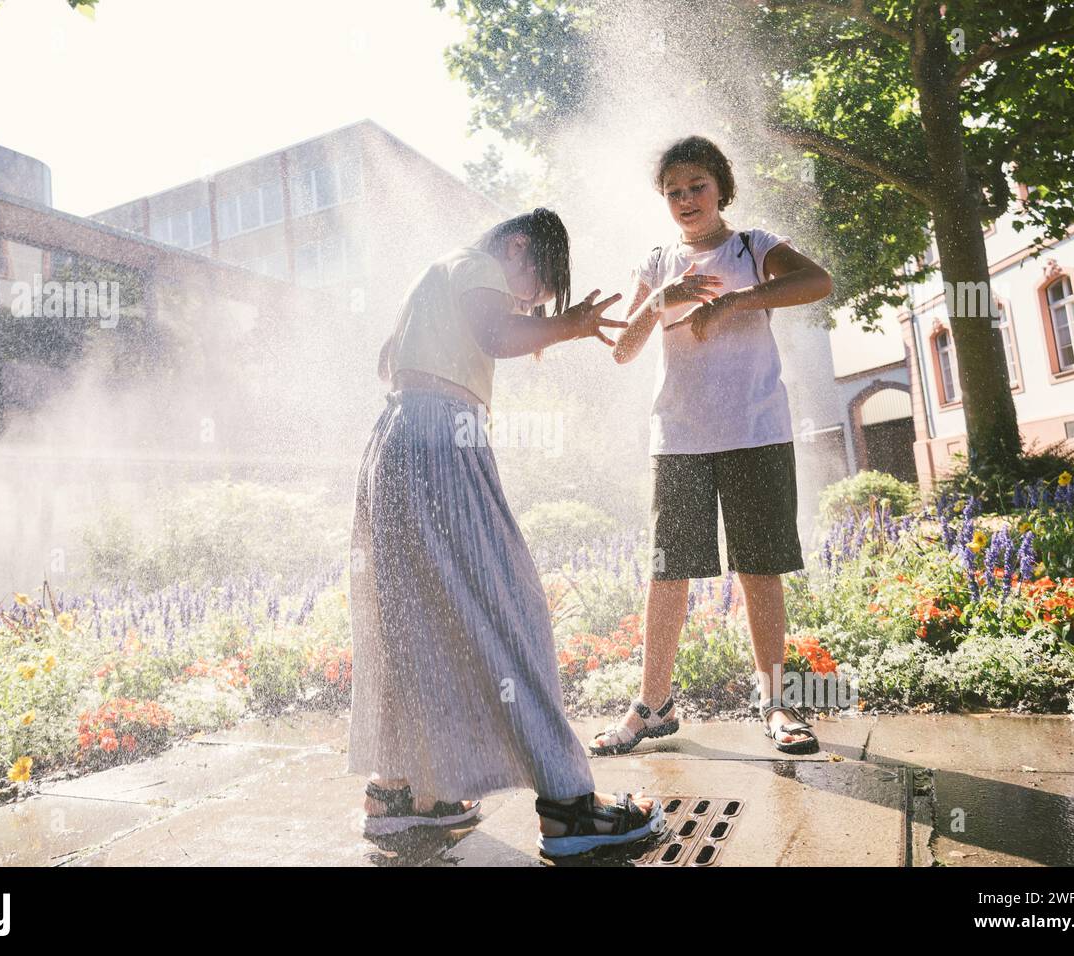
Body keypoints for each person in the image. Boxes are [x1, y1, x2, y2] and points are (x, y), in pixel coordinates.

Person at [350, 208, 666, 858]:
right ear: (519, 247)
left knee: (415, 622)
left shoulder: (433, 279)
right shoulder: (477, 263)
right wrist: (571, 324)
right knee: (510, 608)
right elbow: (495, 333)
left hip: (395, 443)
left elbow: (395, 361)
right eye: (535, 291)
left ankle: (403, 799)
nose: (530, 304)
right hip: (443, 439)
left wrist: (534, 323)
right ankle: (570, 807)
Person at [590, 136, 834, 758]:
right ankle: (653, 706)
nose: (685, 200)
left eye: (696, 186)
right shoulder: (656, 260)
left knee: (759, 568)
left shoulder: (754, 245)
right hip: (679, 439)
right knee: (668, 572)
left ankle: (777, 705)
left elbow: (818, 282)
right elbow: (622, 349)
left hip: (756, 430)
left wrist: (738, 300)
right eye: (673, 192)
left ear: (721, 187)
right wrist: (661, 300)